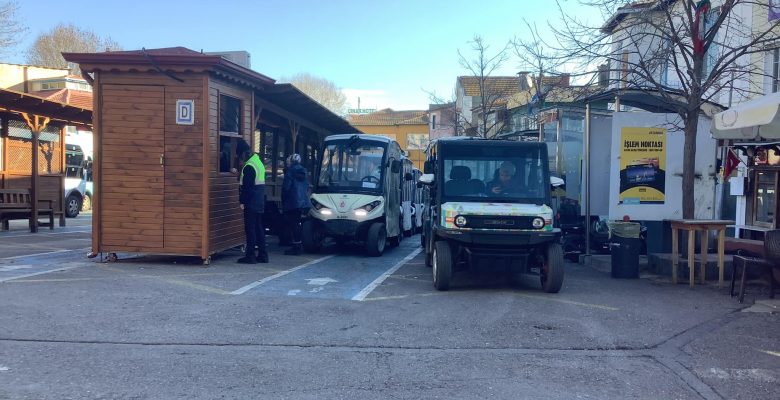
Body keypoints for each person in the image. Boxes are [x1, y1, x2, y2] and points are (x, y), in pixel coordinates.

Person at [237, 139, 268, 264]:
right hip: (259, 201)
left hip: (251, 202)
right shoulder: (258, 162)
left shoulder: (249, 166)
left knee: (250, 229)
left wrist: (242, 202)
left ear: (244, 153)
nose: (240, 159)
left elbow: (247, 187)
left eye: (240, 156)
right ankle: (263, 255)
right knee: (259, 228)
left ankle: (250, 256)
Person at [282, 153, 310, 255]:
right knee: (297, 223)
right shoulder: (304, 171)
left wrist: (283, 200)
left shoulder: (290, 172)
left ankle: (296, 246)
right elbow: (306, 187)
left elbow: (286, 188)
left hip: (292, 201)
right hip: (303, 202)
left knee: (293, 224)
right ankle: (298, 244)